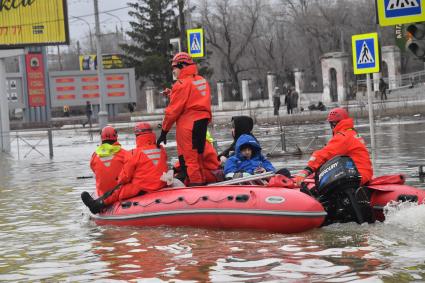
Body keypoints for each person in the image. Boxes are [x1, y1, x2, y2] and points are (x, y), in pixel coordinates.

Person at [156, 52, 219, 186]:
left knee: (190, 161)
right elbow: (191, 98)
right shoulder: (201, 80)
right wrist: (172, 93)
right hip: (201, 124)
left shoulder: (181, 84)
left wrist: (164, 132)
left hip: (188, 125)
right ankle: (203, 184)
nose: (173, 71)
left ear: (182, 65)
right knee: (198, 158)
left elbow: (172, 112)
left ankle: (197, 188)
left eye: (174, 68)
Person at [81, 122, 168, 214]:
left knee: (118, 191)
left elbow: (125, 177)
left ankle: (98, 205)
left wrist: (120, 181)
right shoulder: (161, 149)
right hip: (160, 184)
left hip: (142, 187)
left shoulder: (132, 153)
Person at [295, 107, 373, 186]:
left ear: (334, 124)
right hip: (363, 174)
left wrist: (307, 170)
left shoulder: (343, 136)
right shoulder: (352, 133)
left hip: (357, 176)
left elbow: (325, 153)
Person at [89, 126, 129, 197]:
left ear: (101, 138)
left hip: (102, 194)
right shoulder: (124, 154)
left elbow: (94, 170)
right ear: (116, 137)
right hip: (121, 192)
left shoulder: (94, 156)